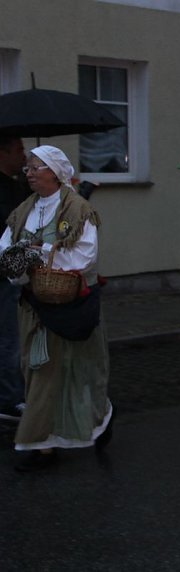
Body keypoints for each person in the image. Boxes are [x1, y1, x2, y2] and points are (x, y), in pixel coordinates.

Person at [0, 145, 112, 472]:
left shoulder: (77, 209)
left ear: (55, 172)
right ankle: (41, 444)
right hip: (36, 307)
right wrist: (17, 258)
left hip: (71, 307)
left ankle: (100, 416)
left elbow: (84, 257)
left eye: (37, 167)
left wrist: (41, 252)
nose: (29, 172)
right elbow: (6, 246)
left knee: (81, 372)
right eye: (29, 167)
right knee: (39, 370)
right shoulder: (24, 210)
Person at [0, 136, 29, 423]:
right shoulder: (6, 189)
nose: (25, 155)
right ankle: (9, 400)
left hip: (8, 271)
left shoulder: (14, 184)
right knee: (8, 339)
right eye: (19, 149)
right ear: (3, 152)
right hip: (4, 273)